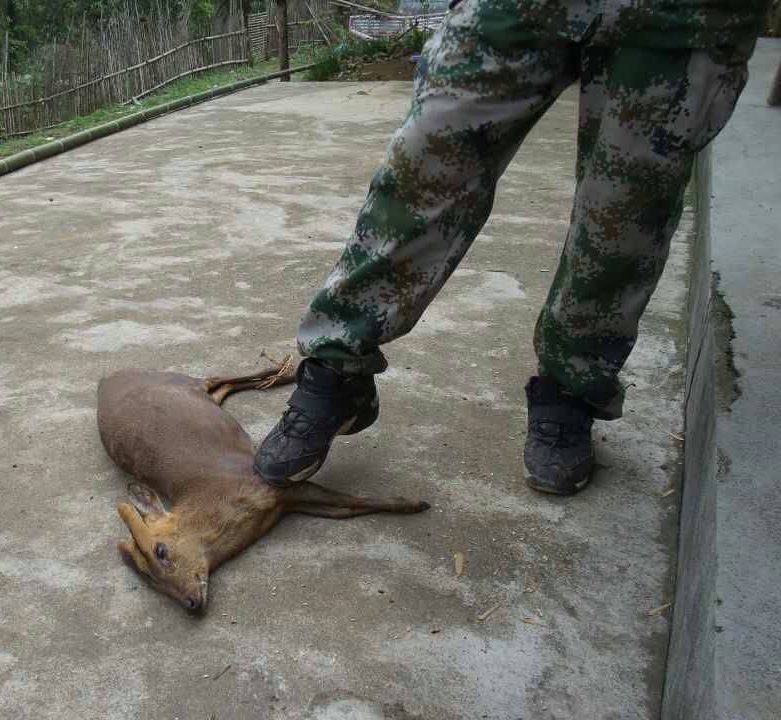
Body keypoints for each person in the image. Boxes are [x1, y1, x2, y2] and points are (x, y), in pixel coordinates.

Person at [253, 0, 767, 495]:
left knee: (625, 212)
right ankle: (338, 364)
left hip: (681, 15)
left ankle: (572, 387)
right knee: (425, 164)